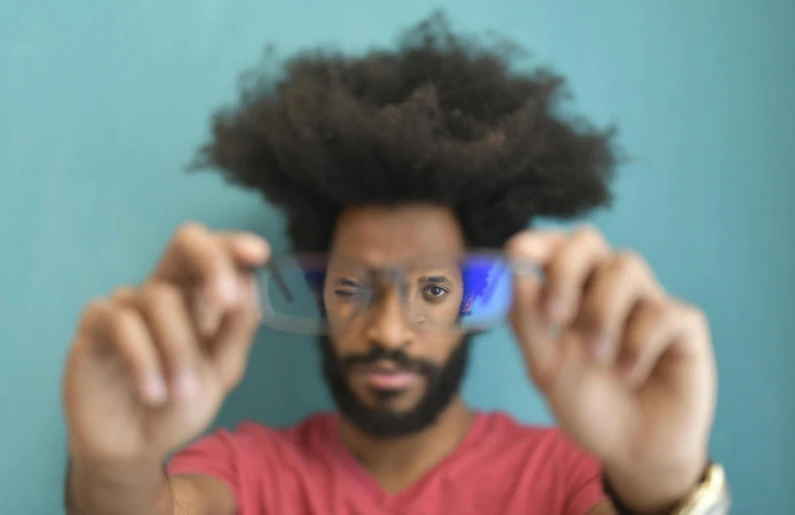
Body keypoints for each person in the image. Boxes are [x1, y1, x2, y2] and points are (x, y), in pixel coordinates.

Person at [62, 14, 730, 515]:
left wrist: (665, 485)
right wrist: (113, 464)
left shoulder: (566, 475)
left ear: (475, 295)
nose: (387, 331)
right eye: (352, 286)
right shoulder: (247, 469)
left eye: (430, 288)